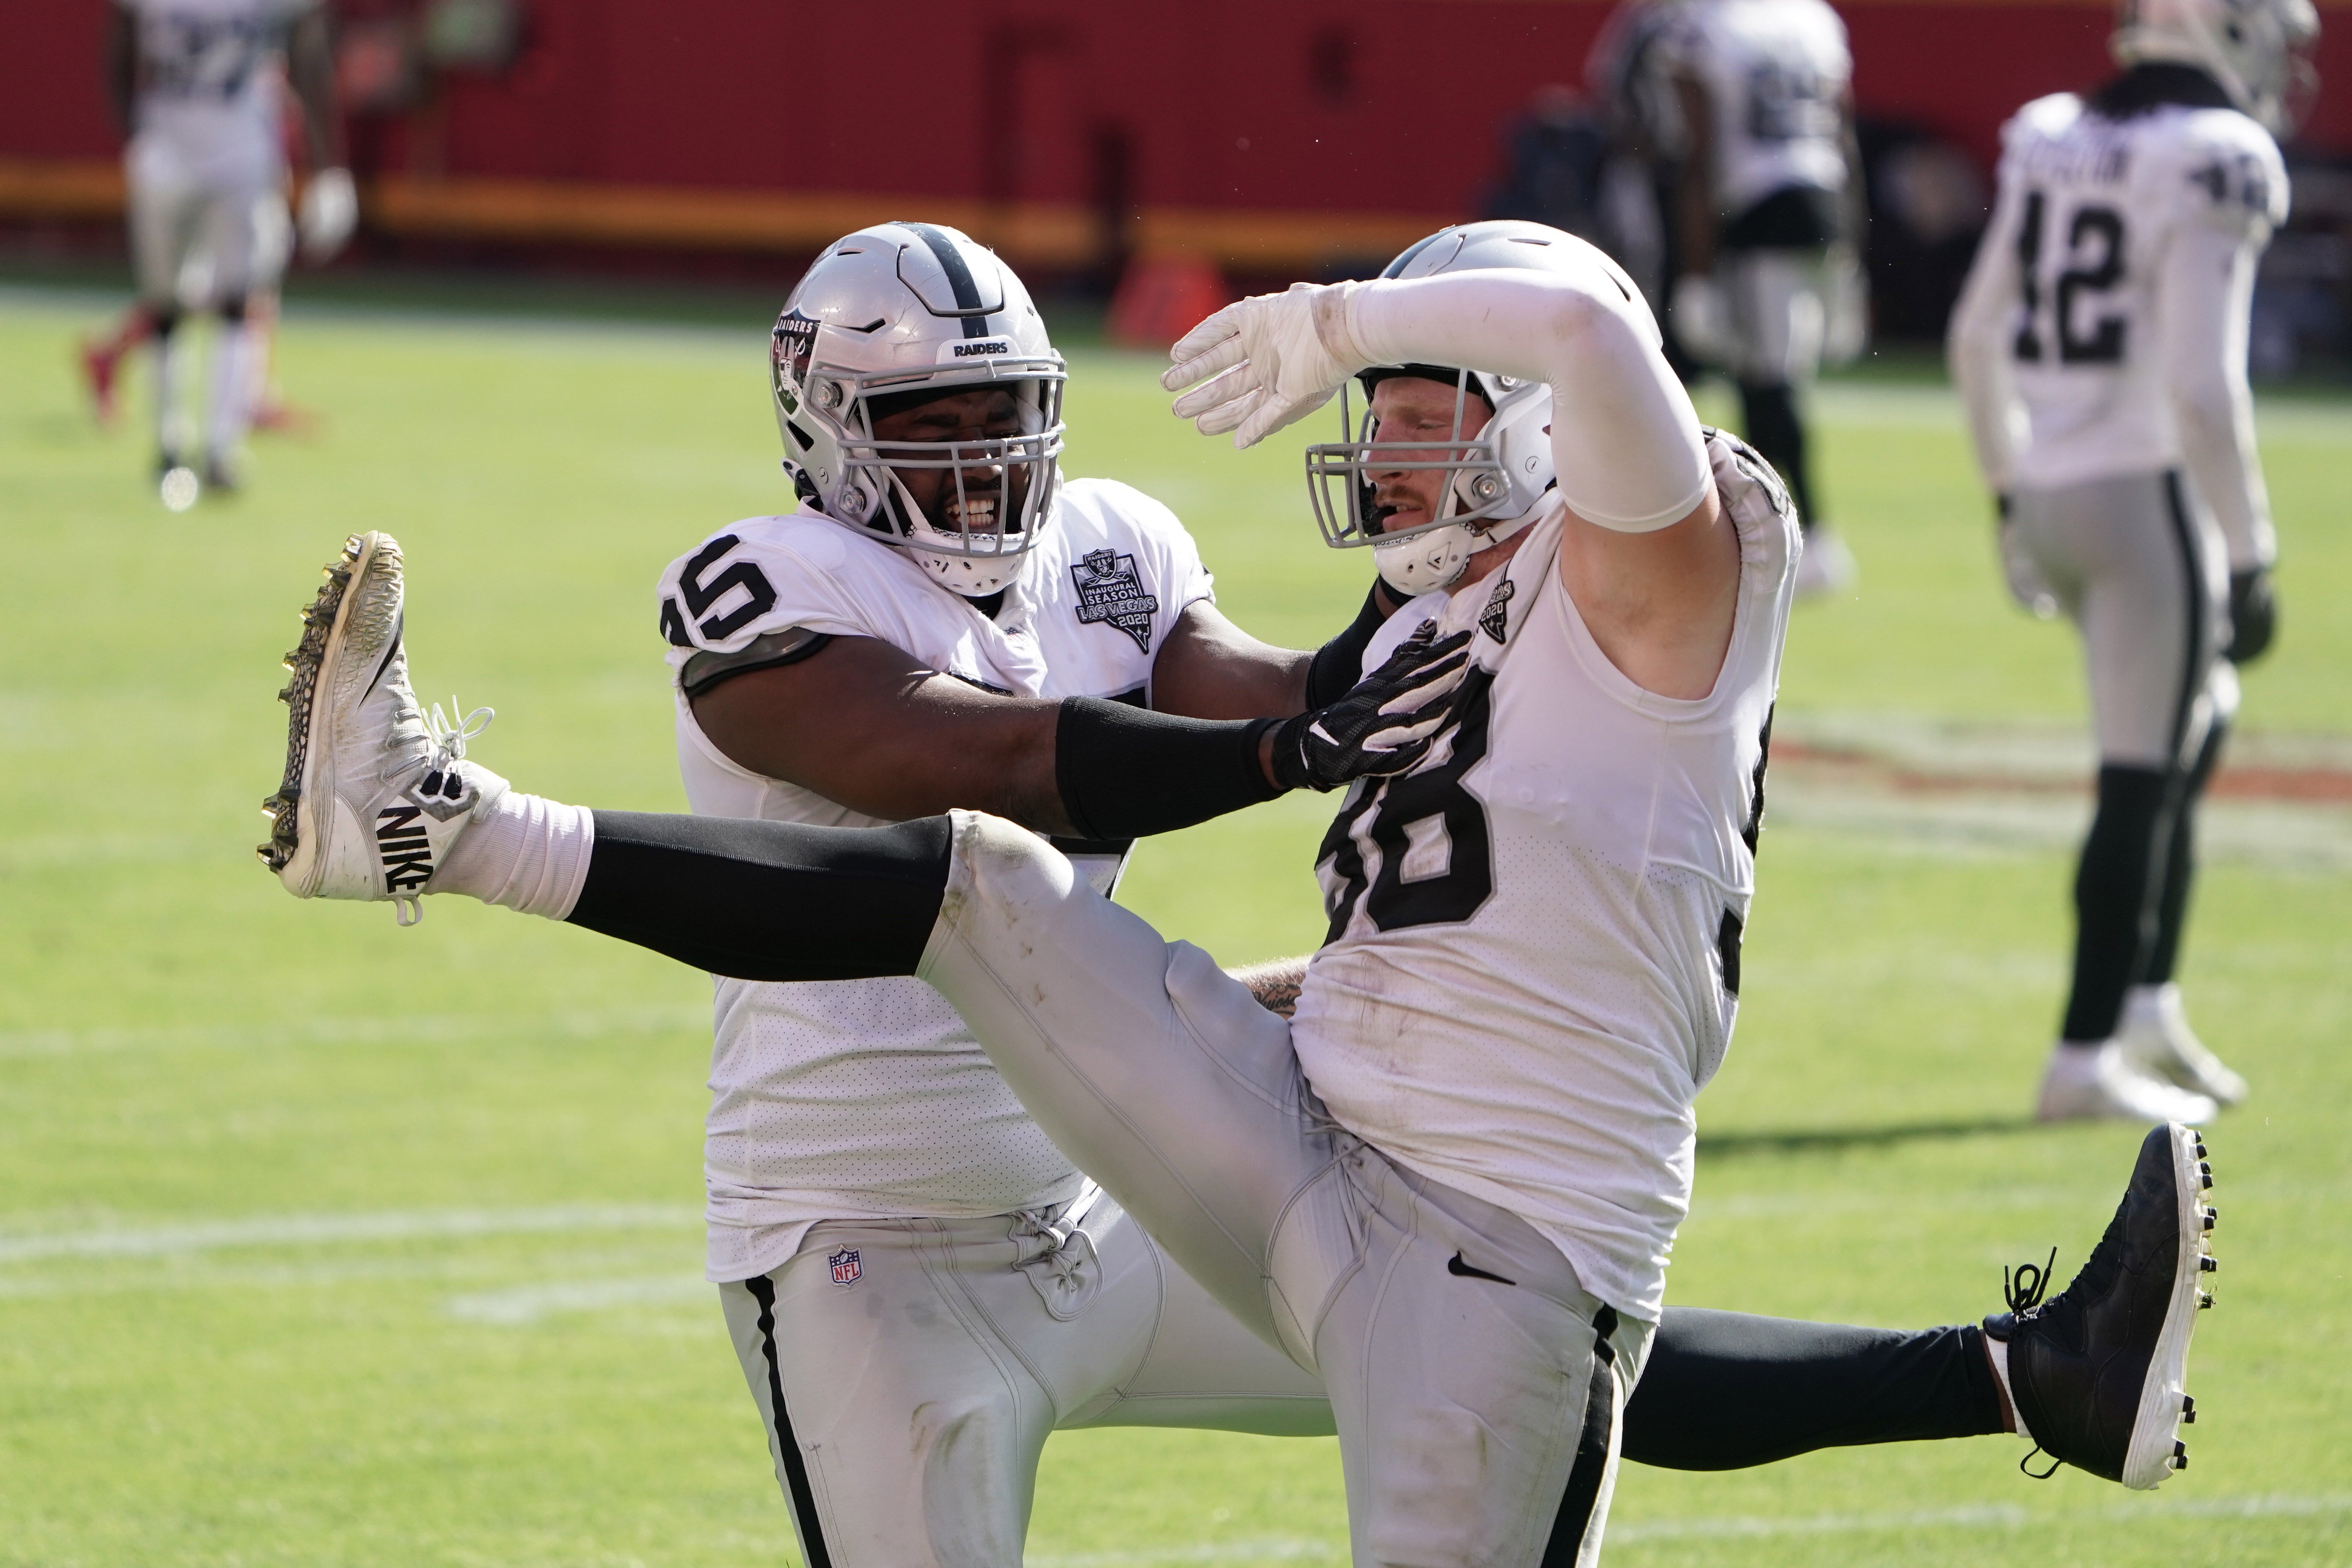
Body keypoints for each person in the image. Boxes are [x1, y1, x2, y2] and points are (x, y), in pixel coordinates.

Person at [258, 223, 2216, 1564]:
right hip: (938, 1227)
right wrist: (1294, 899)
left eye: (1435, 404)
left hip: (1227, 1207)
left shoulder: (1621, 562)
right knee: (997, 886)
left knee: (1530, 1340)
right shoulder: (772, 585)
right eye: (923, 429)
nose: (1389, 445)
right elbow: (991, 767)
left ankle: (2017, 1378)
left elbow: (1347, 671)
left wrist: (1339, 349)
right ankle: (431, 822)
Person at [1947, 0, 2312, 1124]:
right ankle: (2084, 1054)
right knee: (2138, 773)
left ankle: (2147, 999)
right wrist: (2250, 550)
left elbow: (1974, 335)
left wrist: (2011, 496)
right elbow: (2203, 386)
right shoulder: (2217, 154)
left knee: (2199, 717)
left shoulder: (2057, 130)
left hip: (2053, 480)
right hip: (2143, 489)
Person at [101, 0, 354, 507]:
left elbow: (307, 53)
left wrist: (328, 168)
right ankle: (172, 446)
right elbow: (119, 48)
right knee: (167, 299)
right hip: (177, 146)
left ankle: (220, 447)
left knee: (238, 297)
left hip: (240, 151)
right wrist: (138, 133)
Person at [1662, 0, 1866, 596]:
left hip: (1752, 208)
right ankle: (1783, 530)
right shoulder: (1815, 18)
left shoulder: (1703, 24)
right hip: (1822, 201)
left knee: (1767, 379)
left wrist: (1694, 272)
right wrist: (1853, 250)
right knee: (1769, 376)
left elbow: (1700, 156)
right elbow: (1843, 138)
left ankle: (1809, 536)